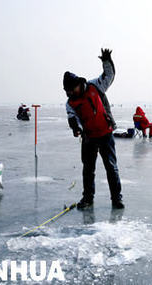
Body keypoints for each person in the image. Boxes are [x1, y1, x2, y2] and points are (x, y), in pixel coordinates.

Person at [63, 48, 123, 210]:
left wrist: (106, 61)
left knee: (111, 167)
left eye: (71, 89)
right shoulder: (70, 102)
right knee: (88, 169)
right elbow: (72, 117)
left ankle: (116, 199)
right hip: (89, 138)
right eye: (67, 91)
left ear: (77, 84)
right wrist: (76, 129)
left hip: (105, 134)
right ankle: (88, 198)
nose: (69, 93)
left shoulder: (94, 86)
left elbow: (109, 76)